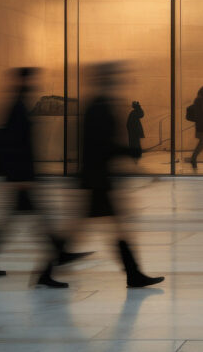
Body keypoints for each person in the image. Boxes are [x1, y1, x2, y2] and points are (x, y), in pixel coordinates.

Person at [0, 67, 89, 288]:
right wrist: (19, 178)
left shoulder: (18, 105)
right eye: (30, 80)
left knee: (15, 222)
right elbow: (15, 146)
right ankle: (51, 265)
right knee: (40, 222)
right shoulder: (17, 108)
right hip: (21, 180)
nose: (34, 84)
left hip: (21, 178)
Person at [64, 63, 163, 288]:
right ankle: (133, 274)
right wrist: (129, 151)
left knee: (93, 228)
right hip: (97, 180)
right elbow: (100, 145)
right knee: (113, 227)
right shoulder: (98, 107)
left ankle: (133, 274)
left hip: (98, 179)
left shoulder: (98, 105)